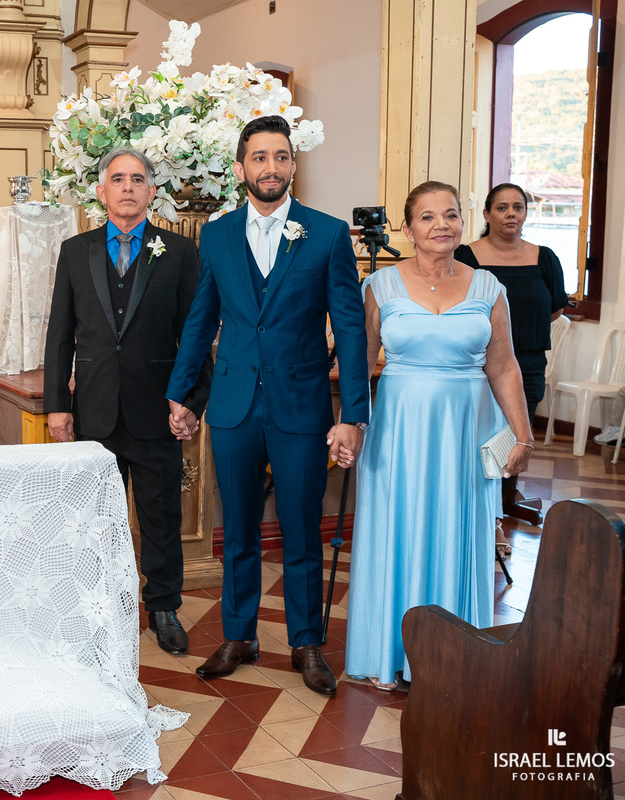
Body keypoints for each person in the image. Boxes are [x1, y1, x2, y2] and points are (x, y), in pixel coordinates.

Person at [165, 115, 371, 696]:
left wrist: (352, 414)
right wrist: (183, 395)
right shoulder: (218, 235)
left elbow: (350, 331)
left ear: (293, 166)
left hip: (301, 404)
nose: (271, 167)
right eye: (260, 157)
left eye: (281, 157)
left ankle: (307, 643)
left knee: (303, 528)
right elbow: (202, 317)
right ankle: (239, 636)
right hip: (232, 405)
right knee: (240, 532)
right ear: (240, 169)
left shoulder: (327, 235)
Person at [345, 181, 534, 690]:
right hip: (398, 431)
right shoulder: (378, 287)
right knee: (397, 529)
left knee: (457, 528)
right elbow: (360, 364)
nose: (440, 225)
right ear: (407, 228)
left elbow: (504, 366)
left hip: (465, 432)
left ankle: (453, 655)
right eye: (427, 217)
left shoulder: (489, 289)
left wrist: (523, 435)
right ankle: (390, 652)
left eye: (450, 215)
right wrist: (350, 422)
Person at [44, 147, 213, 655]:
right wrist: (58, 404)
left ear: (152, 191)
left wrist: (190, 400)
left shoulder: (179, 253)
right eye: (117, 179)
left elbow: (196, 335)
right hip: (95, 410)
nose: (127, 187)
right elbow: (60, 335)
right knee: (96, 519)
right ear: (101, 190)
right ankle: (100, 606)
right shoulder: (76, 251)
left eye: (138, 179)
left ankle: (163, 607)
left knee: (160, 514)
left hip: (156, 410)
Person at [454, 183, 567, 522]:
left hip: (528, 363)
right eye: (502, 208)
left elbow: (554, 308)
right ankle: (479, 512)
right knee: (480, 435)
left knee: (516, 435)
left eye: (518, 207)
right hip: (478, 362)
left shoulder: (544, 257)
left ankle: (501, 507)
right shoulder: (466, 256)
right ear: (487, 214)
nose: (511, 214)